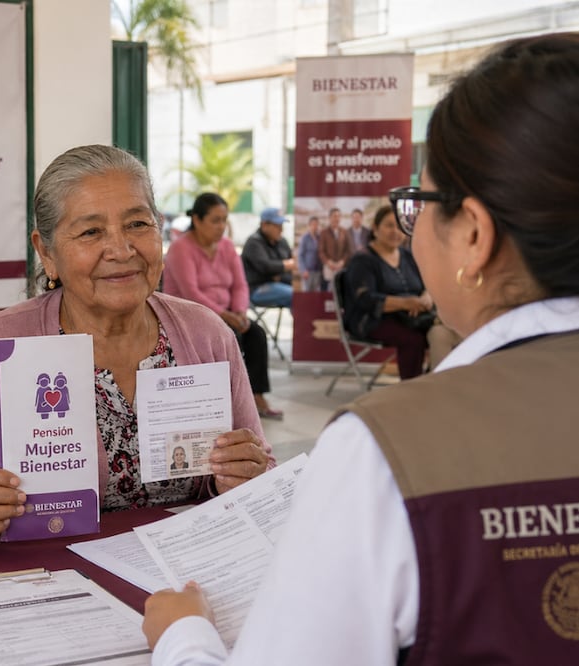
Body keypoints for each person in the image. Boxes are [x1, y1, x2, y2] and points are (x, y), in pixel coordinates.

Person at [142, 33, 579, 664]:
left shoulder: (391, 449)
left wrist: (183, 635)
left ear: (475, 235)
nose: (411, 225)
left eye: (418, 204)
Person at [0, 145, 274, 539]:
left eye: (137, 225)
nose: (121, 249)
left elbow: (261, 468)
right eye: (91, 231)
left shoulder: (205, 333)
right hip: (52, 581)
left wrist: (242, 474)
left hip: (184, 576)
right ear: (47, 252)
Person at [163, 193, 283, 419]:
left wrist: (239, 311)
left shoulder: (227, 247)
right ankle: (226, 403)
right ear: (197, 220)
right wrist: (225, 316)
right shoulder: (181, 249)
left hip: (227, 315)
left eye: (224, 220)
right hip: (189, 318)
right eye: (215, 220)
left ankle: (256, 396)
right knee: (230, 337)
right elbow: (192, 293)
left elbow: (240, 284)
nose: (221, 227)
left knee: (256, 334)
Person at [341, 205, 435, 379]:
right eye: (389, 225)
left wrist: (425, 297)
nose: (396, 231)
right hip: (371, 319)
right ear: (375, 229)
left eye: (400, 226)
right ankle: (410, 390)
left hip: (409, 316)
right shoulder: (363, 260)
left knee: (439, 333)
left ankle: (433, 382)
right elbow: (366, 299)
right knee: (413, 339)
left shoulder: (407, 256)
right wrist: (405, 303)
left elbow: (426, 284)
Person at [240, 208, 295, 308]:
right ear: (264, 225)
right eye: (277, 226)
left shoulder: (282, 242)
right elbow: (266, 267)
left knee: (303, 293)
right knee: (294, 295)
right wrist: (287, 265)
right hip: (257, 289)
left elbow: (291, 266)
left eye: (281, 225)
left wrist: (280, 273)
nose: (281, 229)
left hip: (281, 284)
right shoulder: (253, 243)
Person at [318, 206, 352, 290]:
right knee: (329, 290)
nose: (336, 219)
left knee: (341, 289)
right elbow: (321, 251)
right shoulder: (324, 233)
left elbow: (348, 250)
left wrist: (342, 262)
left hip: (341, 266)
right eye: (334, 216)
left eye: (338, 216)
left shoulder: (344, 232)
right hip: (329, 267)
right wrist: (329, 262)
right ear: (329, 218)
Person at [297, 215, 322, 292]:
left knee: (316, 295)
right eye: (313, 224)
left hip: (317, 271)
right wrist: (303, 270)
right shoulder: (304, 238)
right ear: (309, 225)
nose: (315, 226)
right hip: (307, 272)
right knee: (307, 295)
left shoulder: (320, 237)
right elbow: (300, 256)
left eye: (317, 224)